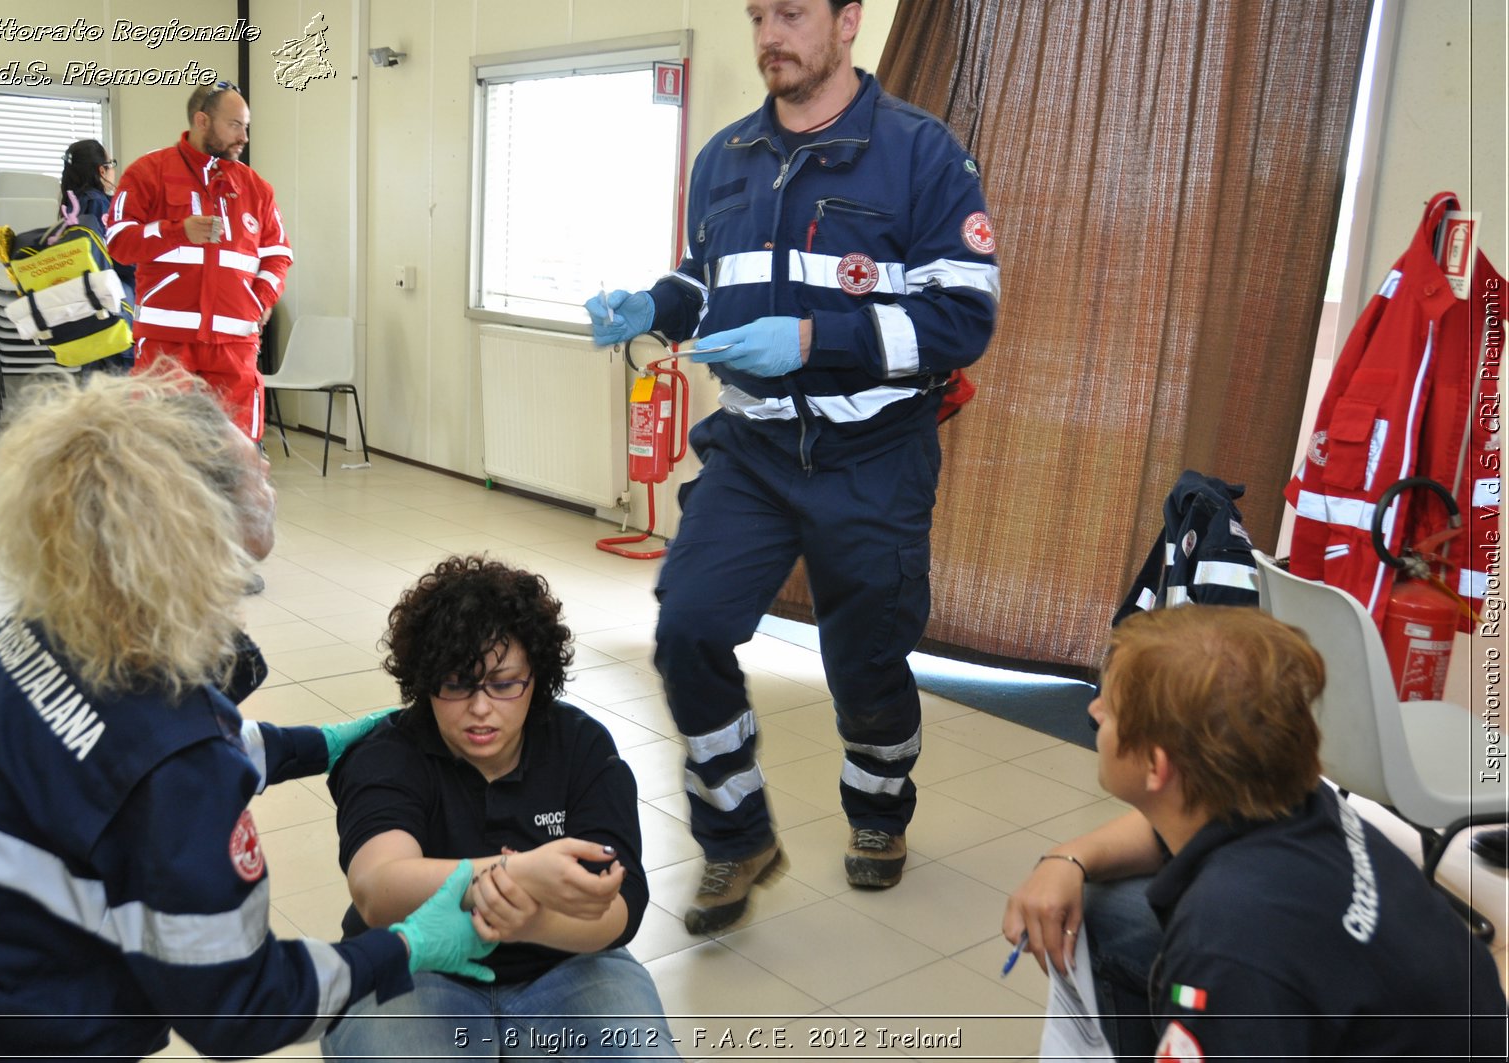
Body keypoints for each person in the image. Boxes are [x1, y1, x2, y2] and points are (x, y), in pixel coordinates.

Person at [0, 370, 495, 1060]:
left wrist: (319, 745)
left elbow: (111, 769)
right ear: (195, 521)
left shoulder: (36, 630)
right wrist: (403, 946)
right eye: (247, 455)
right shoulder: (175, 765)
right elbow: (238, 1007)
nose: (266, 458)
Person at [586, 0, 999, 934]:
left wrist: (818, 335)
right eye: (758, 14)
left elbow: (964, 317)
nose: (772, 33)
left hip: (875, 453)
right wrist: (650, 301)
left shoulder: (921, 154)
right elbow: (703, 279)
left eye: (794, 13)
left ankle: (879, 815)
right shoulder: (723, 156)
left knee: (865, 660)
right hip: (757, 448)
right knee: (687, 626)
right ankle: (736, 835)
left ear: (849, 21)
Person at [1001, 606, 1507, 1061]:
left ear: (1157, 766)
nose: (1094, 713)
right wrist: (1066, 859)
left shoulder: (1229, 936)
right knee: (1105, 909)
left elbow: (1235, 956)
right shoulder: (1290, 794)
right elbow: (1163, 837)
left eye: (1108, 709)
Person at [321, 555, 677, 1061]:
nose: (481, 707)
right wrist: (520, 873)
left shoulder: (579, 746)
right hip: (412, 961)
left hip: (565, 961)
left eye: (505, 684)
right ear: (424, 683)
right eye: (456, 683)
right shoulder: (388, 753)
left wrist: (529, 924)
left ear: (538, 678)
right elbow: (378, 890)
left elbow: (620, 908)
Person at [105, 81, 291, 441]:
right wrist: (177, 231)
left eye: (246, 126)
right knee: (159, 451)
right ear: (202, 121)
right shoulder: (148, 173)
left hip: (234, 345)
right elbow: (119, 243)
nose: (244, 137)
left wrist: (260, 301)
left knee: (236, 455)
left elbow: (278, 255)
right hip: (165, 344)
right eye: (235, 125)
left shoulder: (256, 188)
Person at [59, 138, 136, 374]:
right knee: (118, 394)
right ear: (101, 170)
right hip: (114, 307)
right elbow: (119, 255)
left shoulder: (70, 209)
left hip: (86, 313)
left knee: (94, 392)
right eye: (111, 164)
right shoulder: (99, 205)